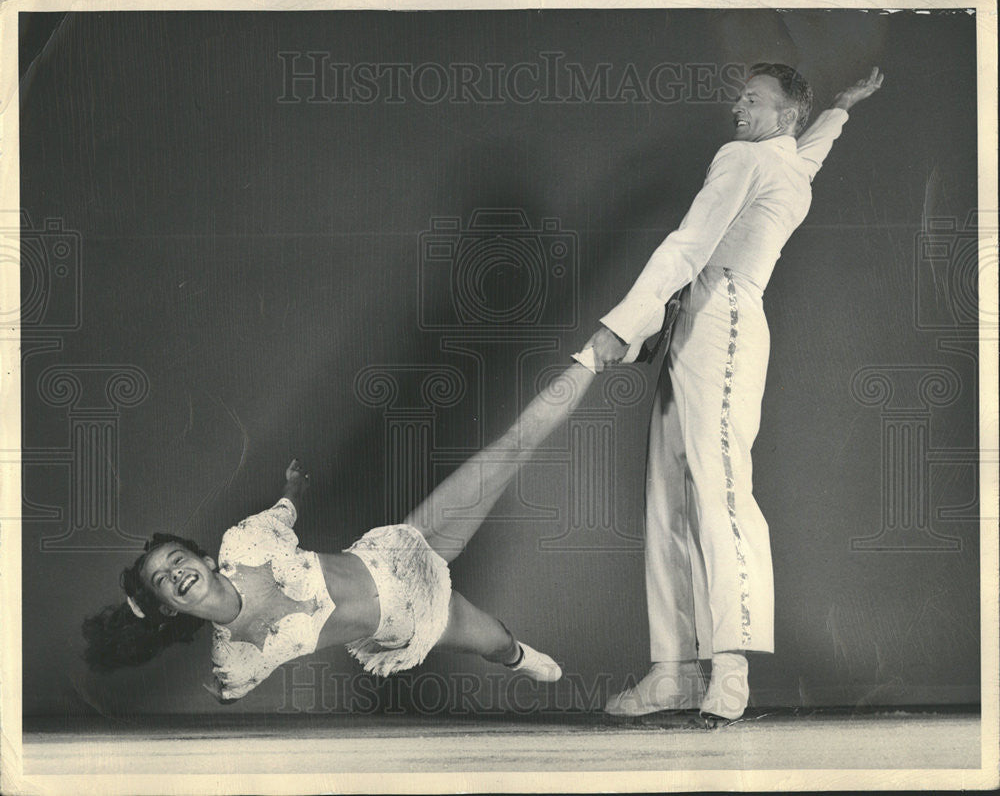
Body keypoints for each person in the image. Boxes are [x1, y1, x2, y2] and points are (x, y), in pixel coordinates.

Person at [585, 65, 885, 721]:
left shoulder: (744, 159)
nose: (736, 106)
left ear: (782, 116)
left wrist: (619, 326)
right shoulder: (790, 168)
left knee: (719, 492)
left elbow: (687, 246)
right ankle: (671, 674)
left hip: (720, 327)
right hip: (694, 327)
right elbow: (812, 153)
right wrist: (840, 110)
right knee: (667, 500)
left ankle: (730, 674)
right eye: (738, 96)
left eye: (753, 98)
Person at [83, 362, 597, 702]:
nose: (175, 573)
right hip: (413, 622)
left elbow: (286, 508)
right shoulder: (233, 660)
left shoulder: (245, 541)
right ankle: (518, 656)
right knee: (499, 643)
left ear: (205, 558)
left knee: (507, 451)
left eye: (175, 559)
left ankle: (598, 353)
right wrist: (221, 692)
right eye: (161, 582)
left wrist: (292, 485)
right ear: (168, 607)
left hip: (403, 549)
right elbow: (229, 689)